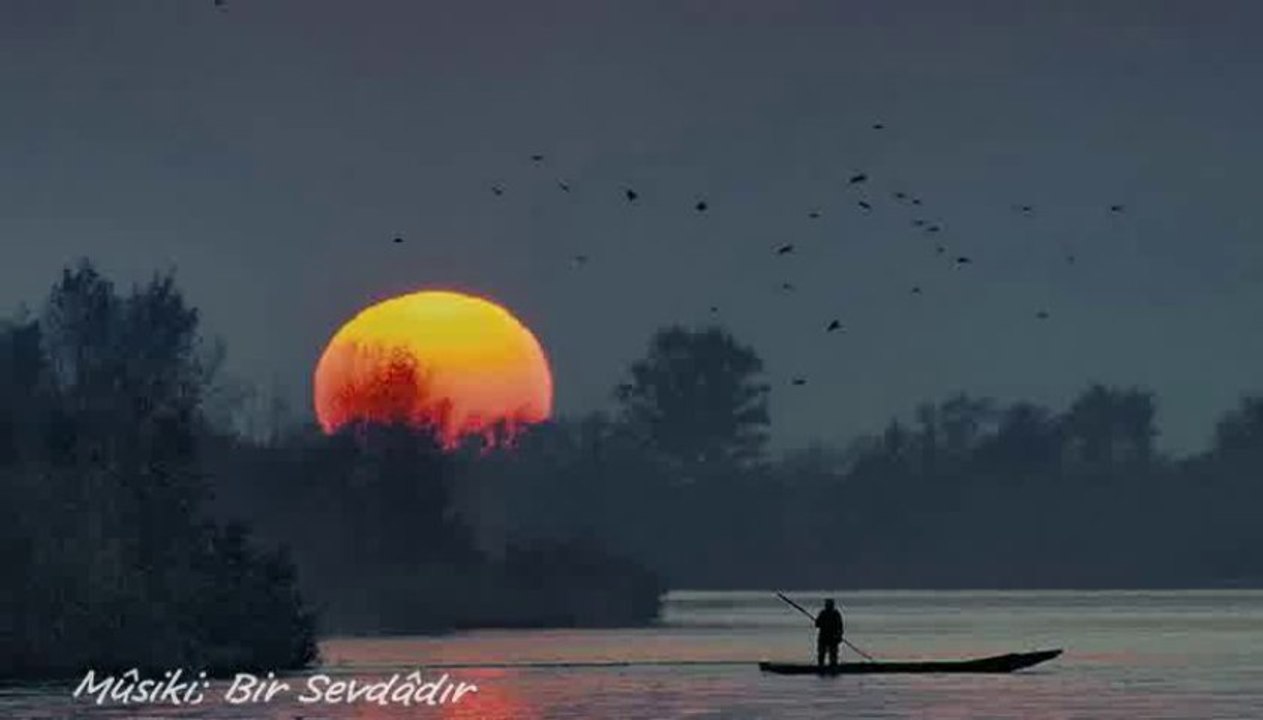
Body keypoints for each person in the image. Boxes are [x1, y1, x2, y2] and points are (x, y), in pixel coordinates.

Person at [814, 598, 844, 667]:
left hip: (832, 638)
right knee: (822, 655)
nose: (827, 606)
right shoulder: (823, 613)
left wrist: (839, 636)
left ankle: (831, 667)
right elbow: (817, 624)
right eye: (827, 604)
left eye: (828, 604)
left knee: (832, 656)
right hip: (824, 638)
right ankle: (822, 667)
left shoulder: (835, 614)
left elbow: (840, 627)